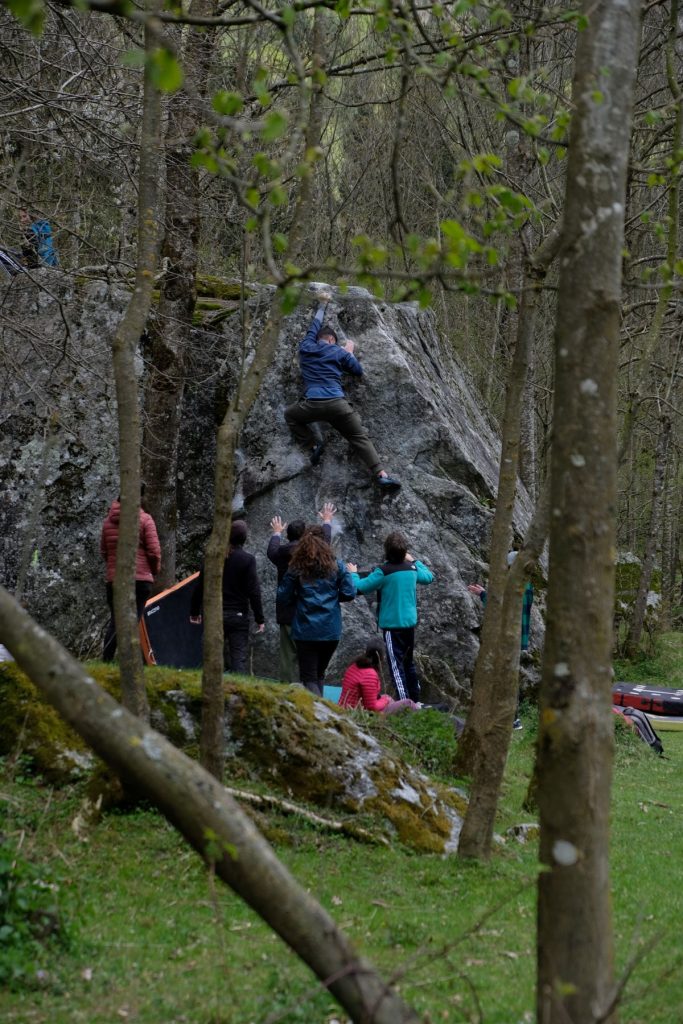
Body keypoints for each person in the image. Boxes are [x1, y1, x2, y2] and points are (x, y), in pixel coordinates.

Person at [284, 292, 401, 490]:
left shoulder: (306, 347)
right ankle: (381, 475)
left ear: (318, 338)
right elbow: (357, 371)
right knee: (359, 437)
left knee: (290, 415)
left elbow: (314, 326)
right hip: (338, 405)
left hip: (312, 405)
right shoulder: (338, 351)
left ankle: (313, 446)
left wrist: (322, 305)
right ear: (332, 339)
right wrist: (349, 353)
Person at [347, 531, 434, 702]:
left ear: (386, 551)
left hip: (392, 626)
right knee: (408, 663)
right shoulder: (412, 569)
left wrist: (353, 573)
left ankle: (405, 704)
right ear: (404, 552)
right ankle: (415, 700)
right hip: (409, 624)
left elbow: (359, 588)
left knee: (396, 666)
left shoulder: (383, 572)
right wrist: (414, 560)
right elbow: (429, 577)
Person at [277, 526, 356, 697]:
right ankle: (321, 709)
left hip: (306, 629)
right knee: (319, 674)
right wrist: (333, 598)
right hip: (330, 629)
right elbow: (350, 592)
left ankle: (318, 710)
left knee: (309, 677)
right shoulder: (337, 565)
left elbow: (283, 596)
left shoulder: (297, 567)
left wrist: (297, 598)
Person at [267, 502, 335, 683]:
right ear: (306, 536)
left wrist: (276, 532)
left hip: (288, 612)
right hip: (309, 612)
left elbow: (271, 551)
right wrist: (327, 521)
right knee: (310, 657)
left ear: (288, 535)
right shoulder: (312, 554)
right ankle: (309, 688)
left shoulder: (281, 553)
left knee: (288, 655)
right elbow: (325, 543)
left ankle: (288, 689)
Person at [468, 550, 534, 730]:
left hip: (509, 638)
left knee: (505, 678)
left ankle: (510, 719)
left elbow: (502, 608)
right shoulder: (526, 584)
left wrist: (483, 594)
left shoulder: (517, 586)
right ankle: (510, 717)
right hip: (516, 638)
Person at [189, 520, 265, 674]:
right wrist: (259, 618)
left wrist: (194, 611)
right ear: (244, 539)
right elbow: (254, 591)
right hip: (238, 615)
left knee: (211, 657)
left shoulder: (212, 557)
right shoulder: (247, 560)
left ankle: (211, 685)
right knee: (238, 658)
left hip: (215, 614)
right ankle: (237, 688)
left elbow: (200, 586)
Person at [101, 490, 161, 661]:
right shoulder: (145, 520)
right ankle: (129, 661)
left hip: (115, 580)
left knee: (116, 621)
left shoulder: (108, 522)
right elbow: (154, 552)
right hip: (140, 580)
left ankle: (106, 659)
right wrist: (154, 570)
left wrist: (114, 569)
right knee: (132, 621)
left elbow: (104, 551)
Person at [340, 640, 419, 714]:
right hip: (358, 713)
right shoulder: (369, 674)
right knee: (408, 703)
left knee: (387, 697)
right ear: (380, 657)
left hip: (346, 707)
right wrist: (385, 701)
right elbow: (372, 707)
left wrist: (385, 699)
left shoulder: (355, 665)